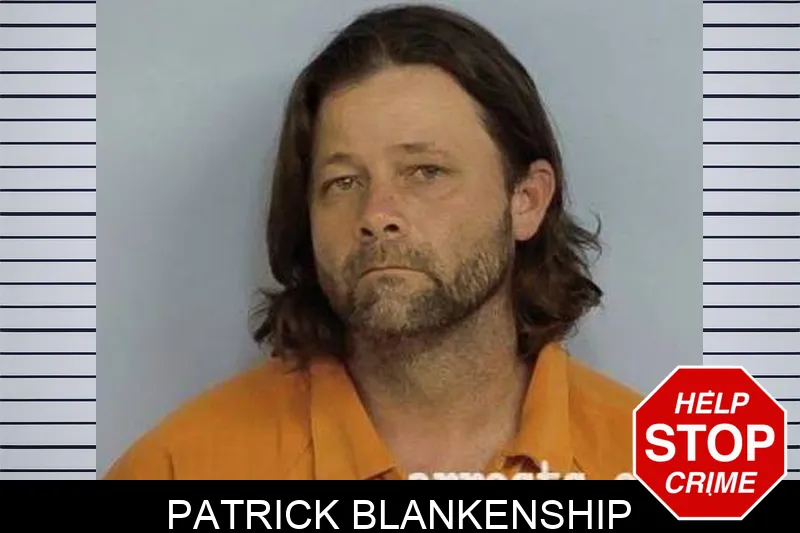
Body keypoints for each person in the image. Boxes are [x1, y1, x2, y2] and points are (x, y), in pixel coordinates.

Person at [104, 3, 643, 480]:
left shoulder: (661, 471)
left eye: (425, 171)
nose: (377, 214)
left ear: (526, 200)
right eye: (343, 182)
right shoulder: (178, 471)